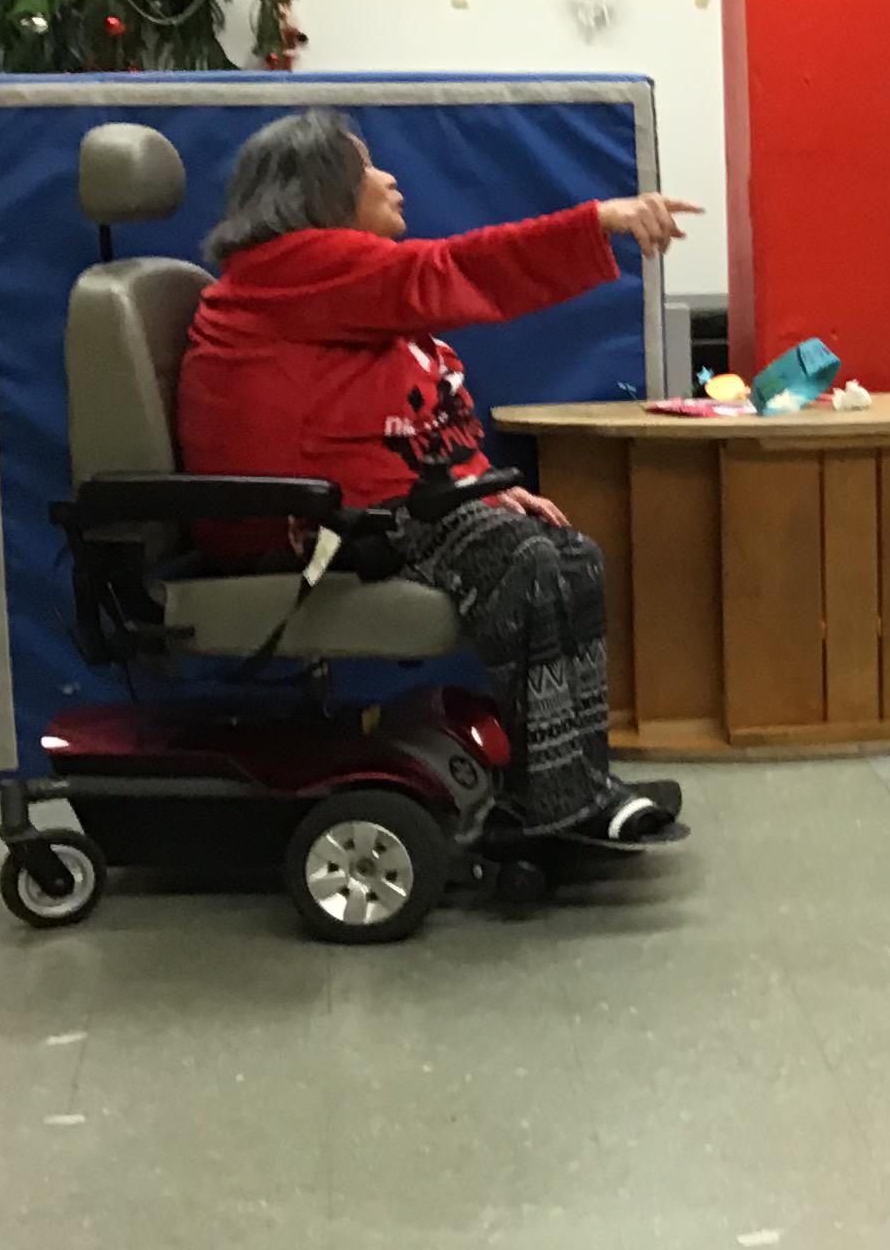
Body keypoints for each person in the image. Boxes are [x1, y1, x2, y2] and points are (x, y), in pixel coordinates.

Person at [177, 108, 695, 847]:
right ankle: (555, 805)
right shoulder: (294, 267)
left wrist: (484, 484)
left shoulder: (328, 284)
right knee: (523, 559)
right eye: (366, 167)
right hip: (305, 524)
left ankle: (575, 783)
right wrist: (598, 221)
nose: (389, 178)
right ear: (319, 189)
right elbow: (455, 268)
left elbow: (416, 418)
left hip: (363, 508)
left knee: (569, 552)